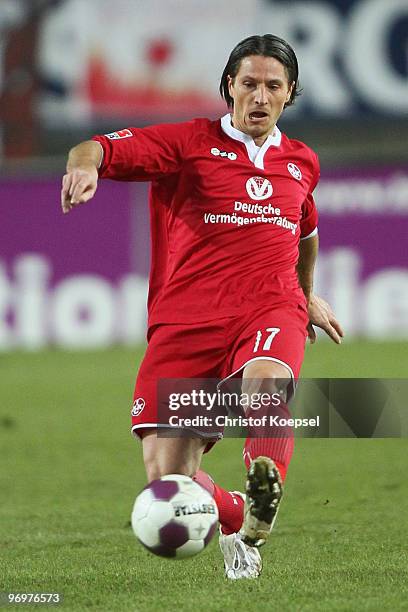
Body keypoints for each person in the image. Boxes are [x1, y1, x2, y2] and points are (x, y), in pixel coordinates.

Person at [61, 34, 343, 580]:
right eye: (249, 84)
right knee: (170, 483)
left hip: (268, 306)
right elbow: (97, 147)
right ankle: (235, 513)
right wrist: (84, 167)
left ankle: (264, 497)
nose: (259, 96)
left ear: (290, 94)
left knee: (265, 382)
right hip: (187, 321)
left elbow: (306, 227)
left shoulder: (301, 161)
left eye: (273, 86)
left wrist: (304, 293)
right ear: (229, 86)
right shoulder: (187, 143)